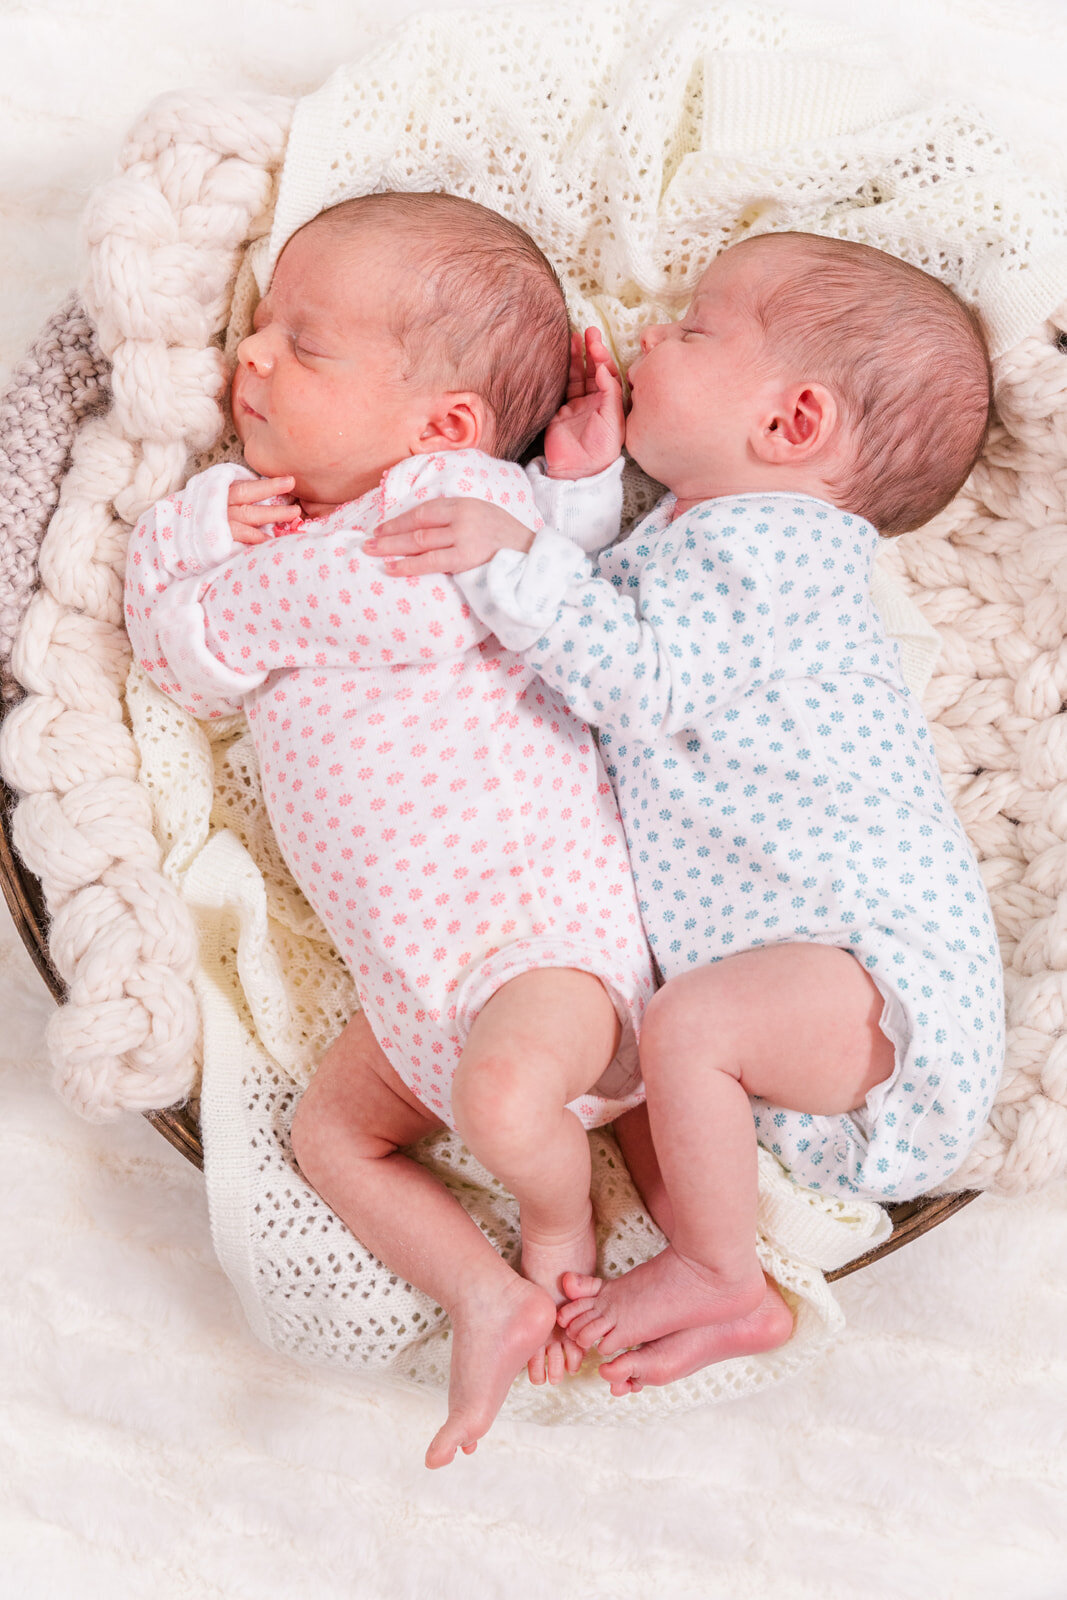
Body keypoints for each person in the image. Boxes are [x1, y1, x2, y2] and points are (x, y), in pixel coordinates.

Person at [365, 230, 1007, 1396]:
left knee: (687, 1030)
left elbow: (635, 674)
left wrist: (511, 553)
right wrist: (577, 491)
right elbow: (606, 621)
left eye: (695, 327)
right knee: (648, 1071)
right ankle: (736, 1289)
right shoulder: (698, 537)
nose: (656, 331)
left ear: (793, 422)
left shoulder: (783, 550)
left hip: (878, 971)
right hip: (812, 985)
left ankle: (712, 1268)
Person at [124, 190, 656, 1467]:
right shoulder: (281, 533)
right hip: (407, 990)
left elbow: (514, 591)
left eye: (304, 348)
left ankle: (556, 1224)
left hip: (542, 945)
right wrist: (199, 523)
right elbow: (169, 656)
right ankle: (482, 1291)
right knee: (328, 1135)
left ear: (446, 427)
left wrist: (575, 490)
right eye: (261, 330)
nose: (250, 357)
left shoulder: (439, 520)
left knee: (502, 1086)